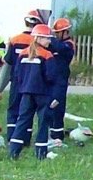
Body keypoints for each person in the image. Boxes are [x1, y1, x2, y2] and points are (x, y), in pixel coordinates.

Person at [7, 23, 60, 160]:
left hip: (26, 93)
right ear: (39, 38)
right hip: (43, 94)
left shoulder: (23, 54)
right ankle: (41, 153)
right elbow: (51, 76)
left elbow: (17, 74)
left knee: (22, 121)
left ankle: (13, 152)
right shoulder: (47, 55)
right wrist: (54, 96)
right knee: (43, 123)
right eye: (47, 38)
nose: (49, 41)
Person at [0, 9, 42, 144]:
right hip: (31, 82)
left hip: (16, 80)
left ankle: (11, 136)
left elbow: (8, 61)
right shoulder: (37, 40)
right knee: (28, 111)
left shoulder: (15, 40)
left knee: (13, 109)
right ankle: (25, 138)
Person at [46, 17, 75, 148]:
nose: (56, 35)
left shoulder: (68, 44)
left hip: (61, 81)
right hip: (51, 80)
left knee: (58, 108)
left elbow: (60, 48)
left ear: (64, 32)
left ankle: (58, 135)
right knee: (49, 108)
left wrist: (49, 37)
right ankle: (50, 133)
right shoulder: (55, 44)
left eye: (58, 33)